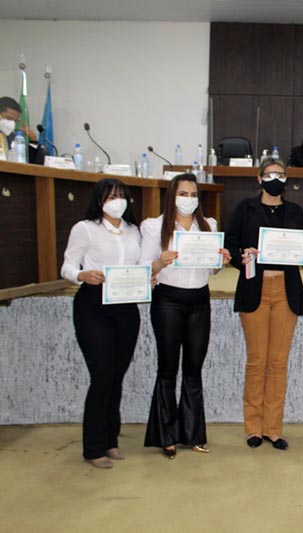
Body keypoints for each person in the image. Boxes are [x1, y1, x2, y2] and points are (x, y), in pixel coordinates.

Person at [225, 158, 303, 450]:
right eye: (269, 174)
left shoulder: (295, 211)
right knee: (257, 361)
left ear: (287, 178)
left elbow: (302, 254)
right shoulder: (245, 208)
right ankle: (253, 428)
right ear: (259, 178)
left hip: (286, 291)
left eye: (280, 174)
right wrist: (242, 256)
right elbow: (230, 245)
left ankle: (273, 429)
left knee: (278, 363)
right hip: (255, 288)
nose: (275, 178)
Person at [140, 174, 231, 459]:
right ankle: (166, 436)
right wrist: (159, 262)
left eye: (193, 195)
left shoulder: (209, 225)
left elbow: (211, 270)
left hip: (199, 301)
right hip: (167, 300)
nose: (188, 199)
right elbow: (145, 268)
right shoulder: (154, 226)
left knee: (194, 369)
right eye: (183, 193)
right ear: (172, 196)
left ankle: (193, 434)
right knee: (168, 369)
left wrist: (221, 261)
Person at [61, 178, 142, 469]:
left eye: (121, 196)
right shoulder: (85, 228)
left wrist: (149, 278)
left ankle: (110, 440)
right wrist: (81, 275)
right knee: (102, 375)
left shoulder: (133, 230)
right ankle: (93, 447)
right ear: (99, 200)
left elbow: (139, 266)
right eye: (110, 196)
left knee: (116, 375)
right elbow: (67, 265)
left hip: (126, 306)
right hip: (93, 306)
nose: (116, 202)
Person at [0, 96, 42, 162]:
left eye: (15, 121)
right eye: (9, 118)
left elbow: (29, 162)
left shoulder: (13, 137)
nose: (12, 123)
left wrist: (33, 140)